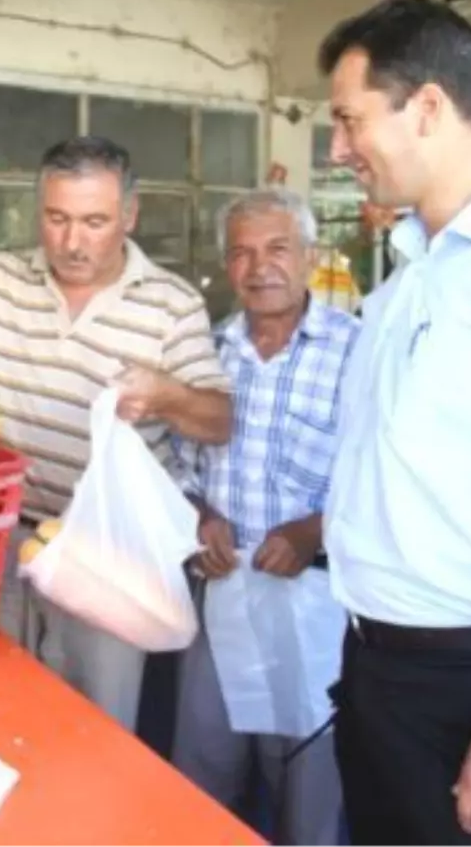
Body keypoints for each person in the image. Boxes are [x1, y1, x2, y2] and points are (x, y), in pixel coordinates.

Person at [0, 135, 233, 732]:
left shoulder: (171, 304)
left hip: (106, 557)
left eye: (94, 221)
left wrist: (167, 393)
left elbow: (218, 421)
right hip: (0, 546)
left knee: (96, 729)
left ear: (129, 217)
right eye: (57, 219)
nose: (72, 241)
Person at [318, 0, 471, 846]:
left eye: (347, 120)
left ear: (429, 107)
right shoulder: (409, 273)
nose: (336, 149)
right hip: (375, 664)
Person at [171, 188, 358, 847]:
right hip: (221, 593)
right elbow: (179, 466)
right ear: (228, 267)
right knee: (202, 769)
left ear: (310, 257)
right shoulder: (203, 354)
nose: (260, 267)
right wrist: (196, 516)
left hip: (314, 605)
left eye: (278, 249)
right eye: (242, 253)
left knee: (307, 783)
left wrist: (315, 531)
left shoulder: (357, 351)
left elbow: (383, 481)